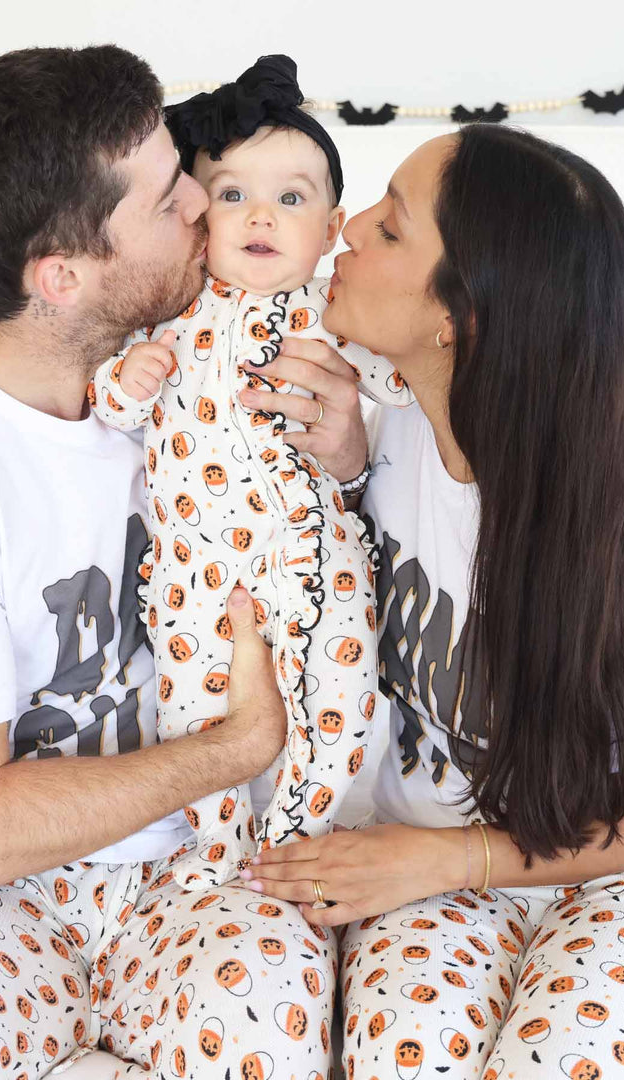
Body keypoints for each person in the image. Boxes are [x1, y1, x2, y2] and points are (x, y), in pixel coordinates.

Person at [0, 45, 366, 1080]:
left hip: (197, 869)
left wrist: (347, 462)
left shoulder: (219, 367)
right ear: (61, 276)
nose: (207, 202)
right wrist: (234, 748)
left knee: (272, 1039)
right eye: (168, 202)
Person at [241, 125, 624, 1079]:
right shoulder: (398, 409)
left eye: (391, 229)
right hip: (447, 851)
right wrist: (348, 469)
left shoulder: (619, 558)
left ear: (459, 318)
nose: (345, 227)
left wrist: (444, 861)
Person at [93, 54, 411, 890]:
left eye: (291, 198)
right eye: (232, 194)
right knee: (194, 713)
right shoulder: (165, 313)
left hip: (317, 560)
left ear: (333, 225)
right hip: (197, 570)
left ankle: (297, 834)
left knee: (338, 702)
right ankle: (222, 853)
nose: (259, 215)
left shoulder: (337, 315)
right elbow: (108, 401)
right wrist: (126, 384)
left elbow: (405, 375)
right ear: (195, 214)